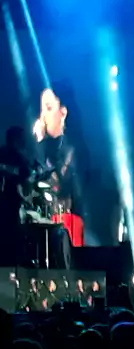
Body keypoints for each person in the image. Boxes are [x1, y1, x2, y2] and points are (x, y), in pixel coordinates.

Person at [33, 89, 84, 246]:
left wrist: (40, 142)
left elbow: (56, 184)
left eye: (49, 108)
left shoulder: (71, 147)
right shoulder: (44, 147)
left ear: (63, 112)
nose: (43, 117)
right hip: (46, 223)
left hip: (67, 223)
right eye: (42, 110)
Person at [0, 126, 31, 266]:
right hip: (9, 204)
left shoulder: (18, 157)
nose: (25, 141)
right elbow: (25, 177)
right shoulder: (17, 157)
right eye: (22, 138)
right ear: (15, 139)